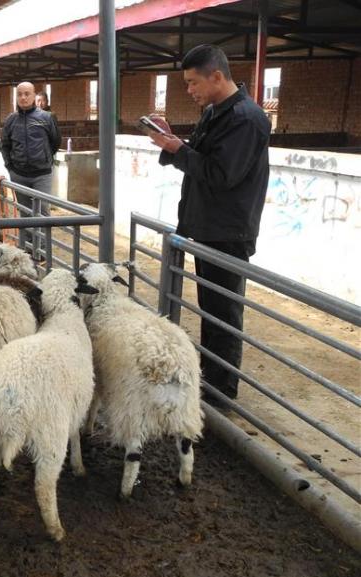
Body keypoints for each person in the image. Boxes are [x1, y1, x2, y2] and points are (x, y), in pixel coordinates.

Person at [149, 44, 271, 405]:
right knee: (211, 310)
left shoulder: (247, 119)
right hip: (206, 227)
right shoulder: (217, 112)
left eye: (192, 83)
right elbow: (200, 158)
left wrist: (177, 150)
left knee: (223, 313)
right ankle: (212, 383)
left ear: (216, 76)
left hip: (227, 231)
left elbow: (221, 174)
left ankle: (221, 395)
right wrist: (173, 142)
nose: (189, 91)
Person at [0, 81, 61, 249]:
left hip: (42, 174)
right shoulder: (11, 120)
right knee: (24, 211)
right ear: (16, 97)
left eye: (27, 94)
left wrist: (44, 159)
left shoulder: (46, 118)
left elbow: (55, 142)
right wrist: (10, 167)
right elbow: (4, 145)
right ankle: (27, 248)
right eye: (20, 94)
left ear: (34, 96)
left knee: (42, 211)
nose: (23, 97)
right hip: (19, 174)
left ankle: (41, 250)